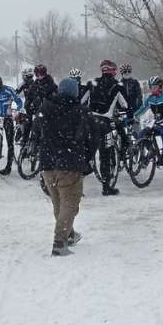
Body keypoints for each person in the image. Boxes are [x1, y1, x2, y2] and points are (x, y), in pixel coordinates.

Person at [39, 77, 96, 257]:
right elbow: (92, 138)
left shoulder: (45, 109)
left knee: (58, 203)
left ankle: (69, 235)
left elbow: (35, 131)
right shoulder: (81, 112)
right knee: (70, 204)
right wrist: (87, 158)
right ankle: (60, 242)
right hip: (70, 164)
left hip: (48, 165)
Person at [85, 59, 129, 195]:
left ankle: (79, 180)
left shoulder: (92, 83)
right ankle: (106, 186)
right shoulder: (118, 85)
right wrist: (129, 114)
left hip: (89, 121)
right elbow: (126, 105)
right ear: (114, 71)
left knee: (87, 152)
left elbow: (81, 100)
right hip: (105, 123)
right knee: (106, 154)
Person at [133, 75, 163, 187]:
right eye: (151, 87)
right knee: (142, 134)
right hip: (157, 125)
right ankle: (149, 152)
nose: (152, 89)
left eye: (154, 87)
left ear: (160, 87)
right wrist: (136, 115)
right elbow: (143, 108)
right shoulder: (150, 98)